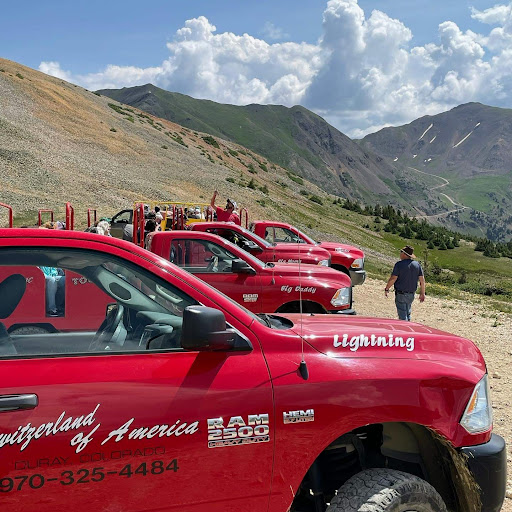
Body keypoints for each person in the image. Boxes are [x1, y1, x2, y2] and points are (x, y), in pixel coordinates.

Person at [384, 245, 425, 321]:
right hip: (411, 294)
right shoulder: (417, 265)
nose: (400, 254)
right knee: (408, 313)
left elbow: (393, 278)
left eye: (401, 252)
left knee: (402, 316)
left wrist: (387, 288)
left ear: (404, 254)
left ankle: (404, 331)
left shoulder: (399, 264)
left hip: (401, 294)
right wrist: (422, 293)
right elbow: (422, 280)